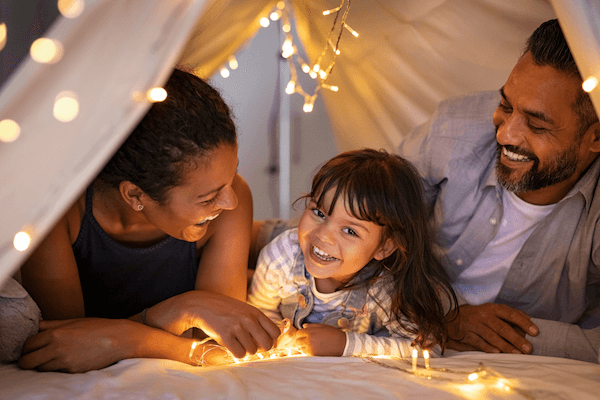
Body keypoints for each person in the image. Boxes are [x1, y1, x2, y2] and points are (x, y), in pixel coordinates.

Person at [17, 69, 280, 373]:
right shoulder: (55, 212)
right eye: (208, 198)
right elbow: (63, 345)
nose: (229, 200)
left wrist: (121, 339)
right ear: (134, 194)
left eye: (231, 175)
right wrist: (184, 308)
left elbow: (218, 344)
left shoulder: (233, 202)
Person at [397, 19, 600, 363]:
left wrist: (504, 339)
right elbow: (370, 225)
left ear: (595, 138)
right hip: (404, 333)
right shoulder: (454, 126)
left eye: (536, 125)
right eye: (505, 105)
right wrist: (444, 317)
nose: (506, 134)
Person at [248, 149, 457, 357]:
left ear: (384, 247)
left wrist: (346, 344)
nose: (324, 236)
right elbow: (258, 316)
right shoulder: (281, 257)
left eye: (350, 231)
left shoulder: (385, 287)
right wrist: (278, 338)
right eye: (319, 213)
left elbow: (428, 348)